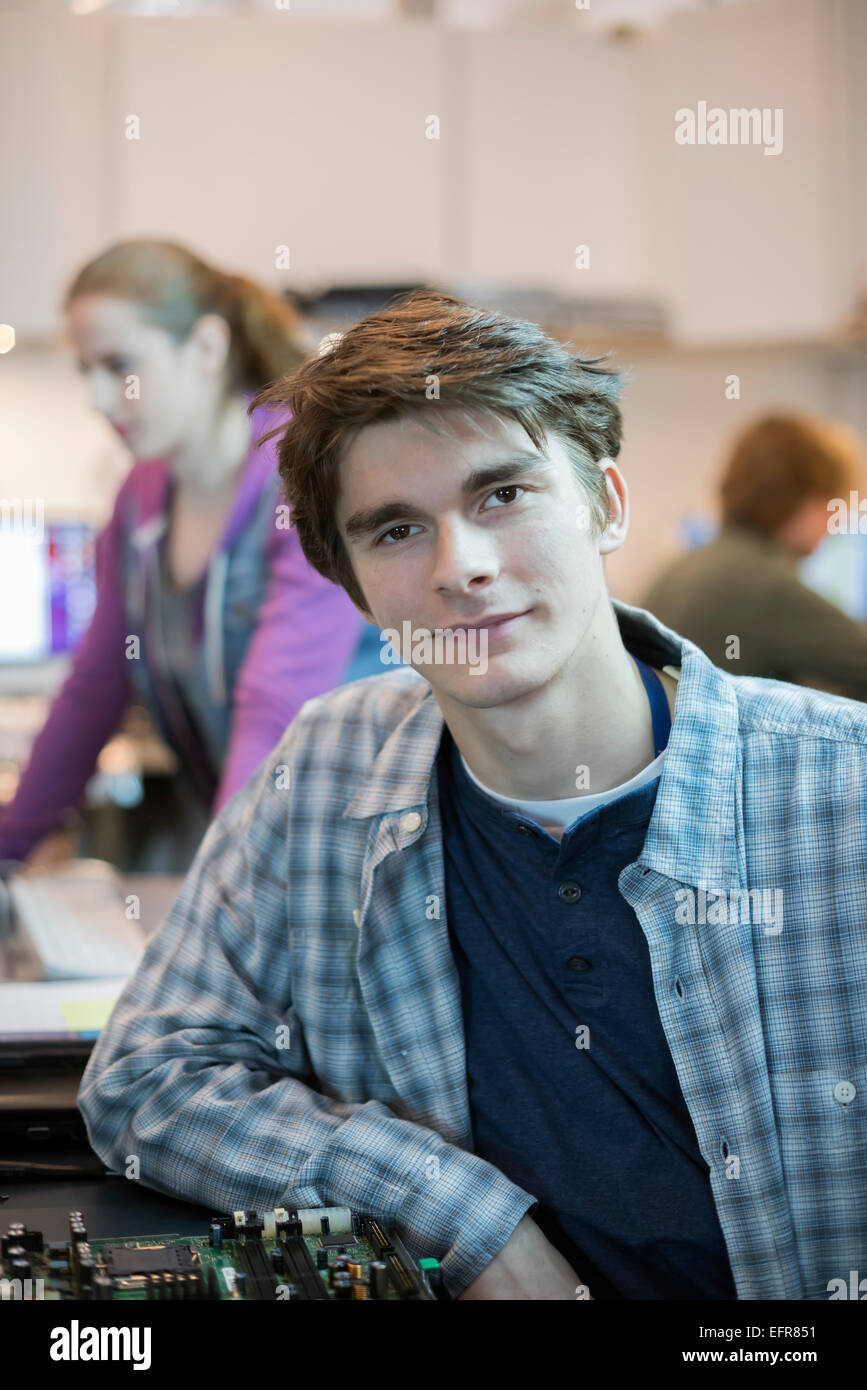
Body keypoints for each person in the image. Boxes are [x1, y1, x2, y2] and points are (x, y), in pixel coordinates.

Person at [79, 291, 866, 1300]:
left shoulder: (841, 790)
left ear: (608, 502)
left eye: (504, 494)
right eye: (397, 530)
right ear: (356, 585)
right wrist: (457, 1210)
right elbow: (146, 1076)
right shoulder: (326, 771)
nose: (466, 568)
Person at [0, 238, 377, 868]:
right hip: (255, 846)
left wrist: (214, 891)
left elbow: (275, 705)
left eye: (119, 365)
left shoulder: (304, 476)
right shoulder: (141, 497)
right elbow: (93, 693)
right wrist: (6, 853)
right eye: (85, 370)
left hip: (358, 855)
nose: (98, 397)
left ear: (205, 347)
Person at [640, 413, 867, 699]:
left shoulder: (680, 568)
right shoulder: (763, 582)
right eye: (832, 504)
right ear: (803, 500)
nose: (835, 524)